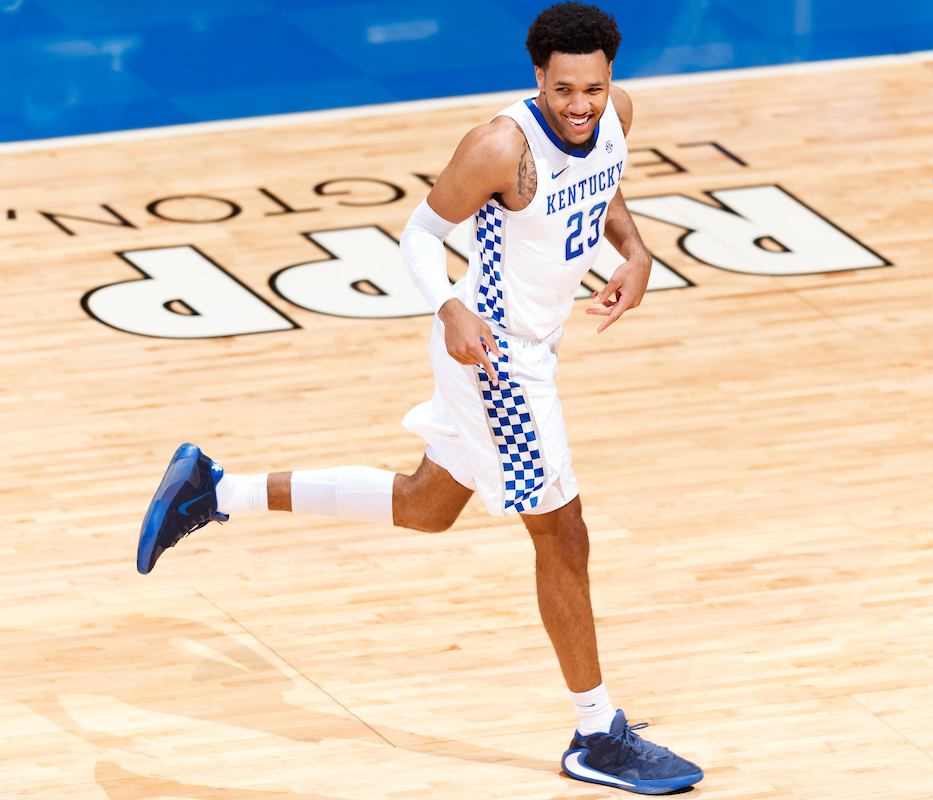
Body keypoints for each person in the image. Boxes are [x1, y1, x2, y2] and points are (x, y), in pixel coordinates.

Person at [135, 2, 703, 794]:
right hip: (493, 355)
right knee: (564, 534)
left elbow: (603, 186)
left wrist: (636, 254)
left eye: (595, 88)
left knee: (428, 505)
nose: (581, 105)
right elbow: (416, 235)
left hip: (536, 345)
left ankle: (215, 489)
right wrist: (450, 307)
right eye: (566, 88)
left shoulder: (615, 118)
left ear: (613, 79)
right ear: (539, 78)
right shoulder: (501, 146)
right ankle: (595, 731)